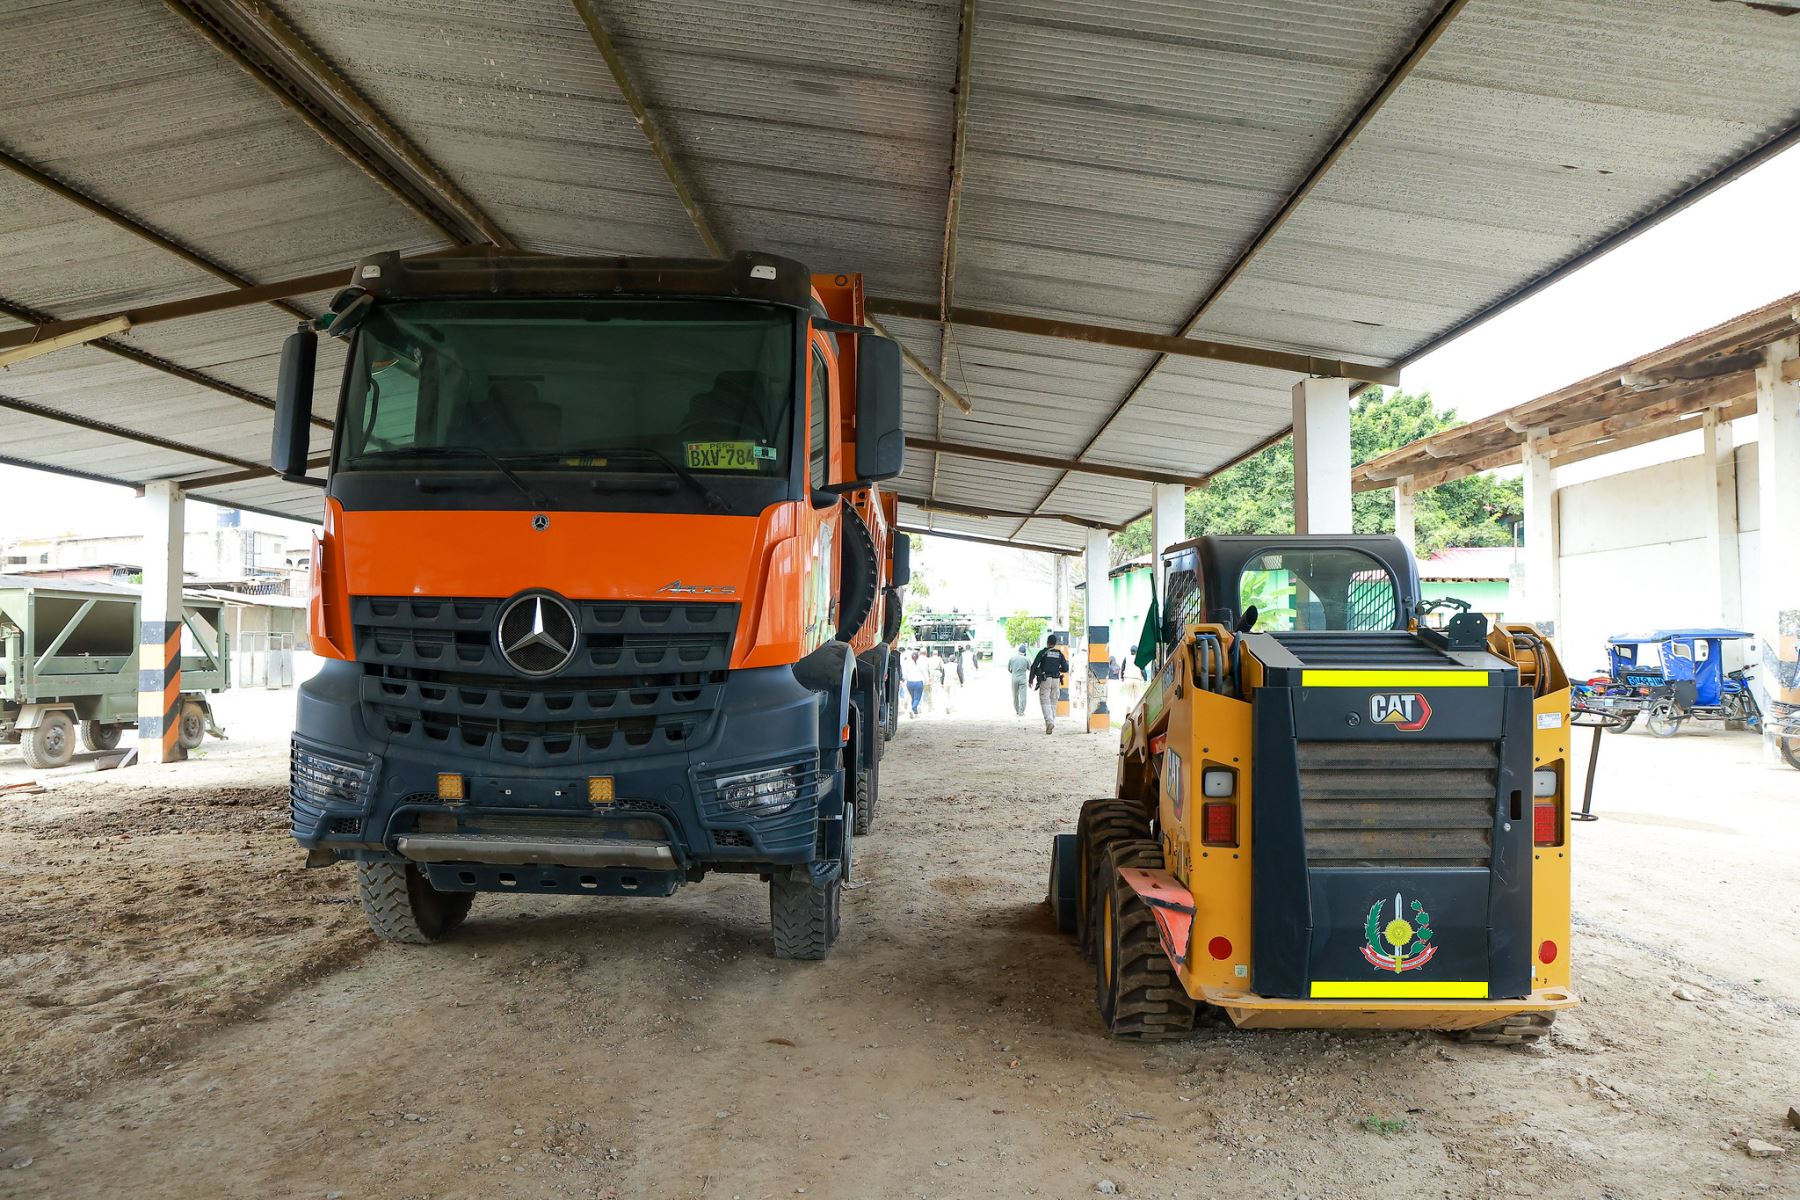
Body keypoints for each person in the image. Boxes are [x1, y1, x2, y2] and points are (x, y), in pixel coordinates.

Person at [1028, 637, 1071, 735]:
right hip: (1056, 680)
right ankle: (1051, 723)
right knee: (1053, 701)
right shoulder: (1059, 653)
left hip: (1045, 679)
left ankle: (1049, 721)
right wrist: (1057, 667)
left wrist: (1031, 680)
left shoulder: (1043, 652)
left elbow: (1034, 666)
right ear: (1055, 643)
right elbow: (1065, 668)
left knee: (1045, 700)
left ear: (1047, 642)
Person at [1006, 643, 1031, 717]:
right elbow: (1030, 668)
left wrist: (1013, 672)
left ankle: (1017, 710)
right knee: (1023, 696)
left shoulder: (1012, 658)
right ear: (1025, 652)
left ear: (1018, 651)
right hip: (1023, 678)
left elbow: (1009, 669)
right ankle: (1021, 712)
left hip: (1014, 678)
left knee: (1015, 695)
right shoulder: (1026, 659)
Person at [901, 649, 927, 717]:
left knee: (913, 697)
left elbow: (905, 674)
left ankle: (915, 712)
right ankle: (913, 708)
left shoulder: (907, 664)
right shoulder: (921, 663)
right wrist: (926, 681)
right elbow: (924, 673)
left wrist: (905, 680)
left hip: (910, 682)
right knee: (917, 698)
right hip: (918, 682)